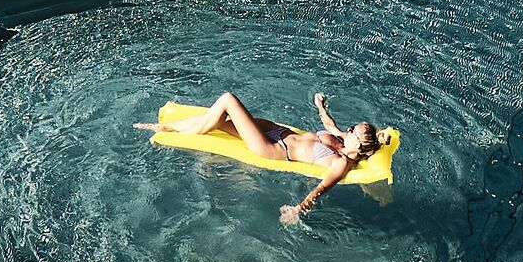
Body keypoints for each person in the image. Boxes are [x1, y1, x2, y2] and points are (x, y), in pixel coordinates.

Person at [140, 90, 384, 222]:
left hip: (272, 148)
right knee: (222, 122)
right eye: (352, 127)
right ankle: (166, 127)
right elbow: (329, 125)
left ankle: (166, 129)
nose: (349, 129)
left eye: (354, 131)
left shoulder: (341, 163)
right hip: (277, 131)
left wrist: (299, 209)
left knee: (228, 100)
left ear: (360, 146)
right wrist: (321, 106)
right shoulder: (343, 139)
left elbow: (321, 189)